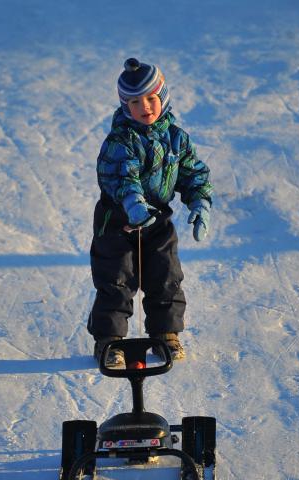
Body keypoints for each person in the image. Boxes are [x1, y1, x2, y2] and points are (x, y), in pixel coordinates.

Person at [87, 58, 213, 366]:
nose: (144, 106)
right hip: (117, 221)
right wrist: (133, 206)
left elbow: (192, 173)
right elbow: (121, 176)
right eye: (134, 101)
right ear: (124, 105)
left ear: (163, 97)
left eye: (151, 98)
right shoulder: (120, 140)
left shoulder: (177, 138)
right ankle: (110, 340)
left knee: (165, 275)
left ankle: (166, 334)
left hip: (157, 219)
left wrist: (200, 202)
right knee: (116, 279)